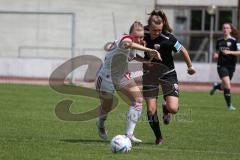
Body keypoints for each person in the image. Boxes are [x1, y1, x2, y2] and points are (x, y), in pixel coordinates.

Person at [95, 21, 161, 143]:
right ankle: (100, 123)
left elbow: (133, 56)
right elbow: (127, 43)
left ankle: (129, 135)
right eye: (137, 37)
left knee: (138, 101)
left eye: (142, 37)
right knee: (107, 107)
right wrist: (149, 49)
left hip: (121, 76)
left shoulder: (132, 45)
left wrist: (148, 61)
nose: (140, 39)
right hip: (106, 78)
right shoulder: (125, 40)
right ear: (130, 34)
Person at [140, 10, 196, 145]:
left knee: (173, 109)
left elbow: (182, 49)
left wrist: (190, 67)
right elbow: (129, 40)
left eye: (159, 30)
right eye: (154, 30)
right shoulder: (143, 33)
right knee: (150, 109)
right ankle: (159, 137)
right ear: (149, 26)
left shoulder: (168, 38)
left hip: (168, 74)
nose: (156, 33)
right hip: (150, 75)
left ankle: (166, 108)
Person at [210, 22, 240, 111]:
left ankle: (216, 86)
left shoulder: (235, 40)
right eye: (224, 28)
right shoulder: (219, 41)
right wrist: (215, 55)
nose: (225, 29)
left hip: (231, 66)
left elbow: (239, 52)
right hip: (221, 65)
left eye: (227, 28)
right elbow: (217, 52)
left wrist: (230, 52)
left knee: (224, 86)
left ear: (230, 30)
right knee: (227, 84)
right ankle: (229, 106)